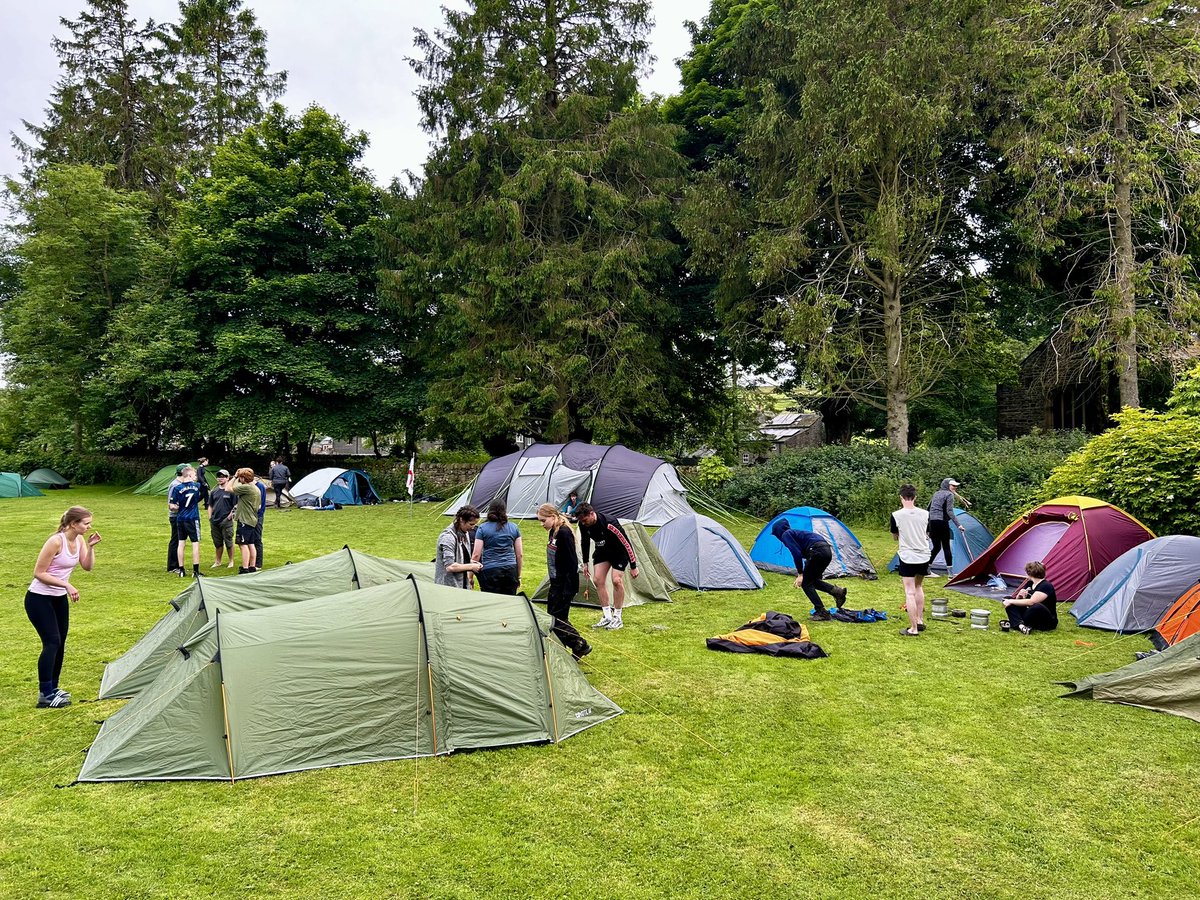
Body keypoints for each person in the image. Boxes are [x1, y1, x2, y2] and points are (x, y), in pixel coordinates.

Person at [25, 506, 101, 708]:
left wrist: (91, 547)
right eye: (86, 523)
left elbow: (87, 566)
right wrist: (66, 585)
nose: (89, 526)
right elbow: (39, 573)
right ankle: (45, 695)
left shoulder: (79, 540)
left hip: (58, 599)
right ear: (73, 524)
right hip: (39, 599)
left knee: (60, 643)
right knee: (52, 642)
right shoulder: (55, 541)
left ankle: (53, 687)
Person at [538, 502, 591, 660]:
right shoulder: (553, 532)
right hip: (556, 581)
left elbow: (571, 563)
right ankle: (572, 647)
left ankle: (580, 644)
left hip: (565, 583)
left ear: (553, 516)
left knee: (556, 618)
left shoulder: (564, 533)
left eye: (543, 520)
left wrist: (567, 588)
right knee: (555, 616)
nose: (541, 524)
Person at [576, 501, 639, 630]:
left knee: (616, 580)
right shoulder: (583, 524)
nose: (583, 523)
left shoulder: (610, 523)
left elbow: (626, 543)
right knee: (597, 580)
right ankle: (607, 616)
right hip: (602, 552)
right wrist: (585, 563)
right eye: (581, 521)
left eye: (585, 520)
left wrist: (633, 565)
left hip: (619, 552)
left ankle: (617, 617)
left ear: (592, 514)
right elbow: (585, 542)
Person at [771, 519, 847, 621]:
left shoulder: (786, 534)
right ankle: (837, 592)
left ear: (778, 531)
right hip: (826, 552)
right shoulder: (796, 533)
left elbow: (796, 554)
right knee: (811, 581)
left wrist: (800, 574)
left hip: (817, 552)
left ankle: (821, 612)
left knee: (806, 583)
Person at [892, 484, 931, 637]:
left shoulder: (896, 515)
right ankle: (919, 620)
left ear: (901, 497)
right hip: (923, 556)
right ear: (915, 497)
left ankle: (913, 629)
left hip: (908, 557)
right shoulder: (926, 514)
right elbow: (927, 533)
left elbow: (895, 536)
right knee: (919, 586)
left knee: (909, 592)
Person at [472, 500, 523, 594]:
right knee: (509, 600)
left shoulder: (482, 528)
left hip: (490, 570)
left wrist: (470, 575)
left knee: (491, 600)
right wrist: (518, 575)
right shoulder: (514, 527)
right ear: (505, 511)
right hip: (510, 570)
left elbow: (476, 555)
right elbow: (519, 555)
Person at [1002, 561, 1059, 634]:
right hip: (1031, 614)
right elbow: (1020, 602)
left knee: (1037, 606)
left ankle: (1016, 622)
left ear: (1030, 573)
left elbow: (1032, 602)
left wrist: (1011, 601)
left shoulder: (1046, 585)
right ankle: (1021, 626)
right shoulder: (1030, 583)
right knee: (1007, 598)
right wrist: (1019, 596)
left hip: (1045, 620)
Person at [435, 505, 483, 588]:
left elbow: (461, 559)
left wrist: (472, 562)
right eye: (471, 524)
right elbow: (450, 566)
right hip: (448, 587)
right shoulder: (448, 537)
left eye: (475, 524)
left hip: (462, 584)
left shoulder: (465, 533)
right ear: (461, 520)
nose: (473, 528)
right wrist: (471, 566)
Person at [169, 465, 204, 578]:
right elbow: (202, 495)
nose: (196, 477)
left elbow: (172, 506)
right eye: (194, 475)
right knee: (195, 544)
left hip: (180, 518)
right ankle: (196, 571)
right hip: (193, 518)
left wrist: (179, 507)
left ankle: (181, 570)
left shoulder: (177, 488)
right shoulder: (197, 486)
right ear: (189, 475)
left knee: (181, 543)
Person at [927, 477, 966, 573]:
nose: (955, 487)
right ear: (947, 485)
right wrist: (959, 525)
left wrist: (927, 526)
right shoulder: (949, 495)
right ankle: (950, 574)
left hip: (933, 522)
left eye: (955, 486)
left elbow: (928, 508)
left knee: (936, 547)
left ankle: (927, 568)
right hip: (942, 522)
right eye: (953, 485)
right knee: (946, 547)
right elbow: (949, 511)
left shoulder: (936, 493)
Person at [230, 468, 261, 573]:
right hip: (252, 519)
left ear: (243, 478)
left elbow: (228, 488)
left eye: (240, 477)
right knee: (251, 544)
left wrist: (234, 477)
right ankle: (252, 566)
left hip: (245, 519)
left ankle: (245, 568)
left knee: (243, 544)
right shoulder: (255, 487)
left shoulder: (246, 488)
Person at [208, 469, 237, 568]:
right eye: (219, 477)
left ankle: (231, 561)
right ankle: (218, 561)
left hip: (226, 521)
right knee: (217, 543)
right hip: (214, 521)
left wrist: (230, 516)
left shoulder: (231, 491)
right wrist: (210, 517)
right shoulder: (214, 492)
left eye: (223, 477)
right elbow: (210, 505)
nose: (220, 479)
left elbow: (236, 505)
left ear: (228, 478)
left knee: (228, 542)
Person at [166, 463, 186, 574]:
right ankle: (172, 566)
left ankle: (178, 564)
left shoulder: (181, 484)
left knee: (180, 540)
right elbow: (171, 504)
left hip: (181, 515)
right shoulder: (175, 485)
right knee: (175, 540)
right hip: (175, 516)